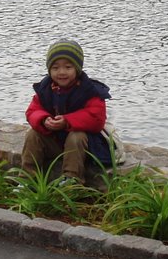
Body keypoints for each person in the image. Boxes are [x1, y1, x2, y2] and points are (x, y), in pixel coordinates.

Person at [21, 39, 113, 186]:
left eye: (68, 67)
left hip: (85, 148)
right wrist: (44, 120)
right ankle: (27, 180)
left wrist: (67, 121)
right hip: (57, 143)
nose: (61, 72)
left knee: (76, 136)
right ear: (49, 70)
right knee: (33, 134)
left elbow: (97, 118)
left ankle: (72, 179)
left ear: (77, 68)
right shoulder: (45, 89)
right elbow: (32, 111)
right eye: (56, 68)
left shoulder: (90, 91)